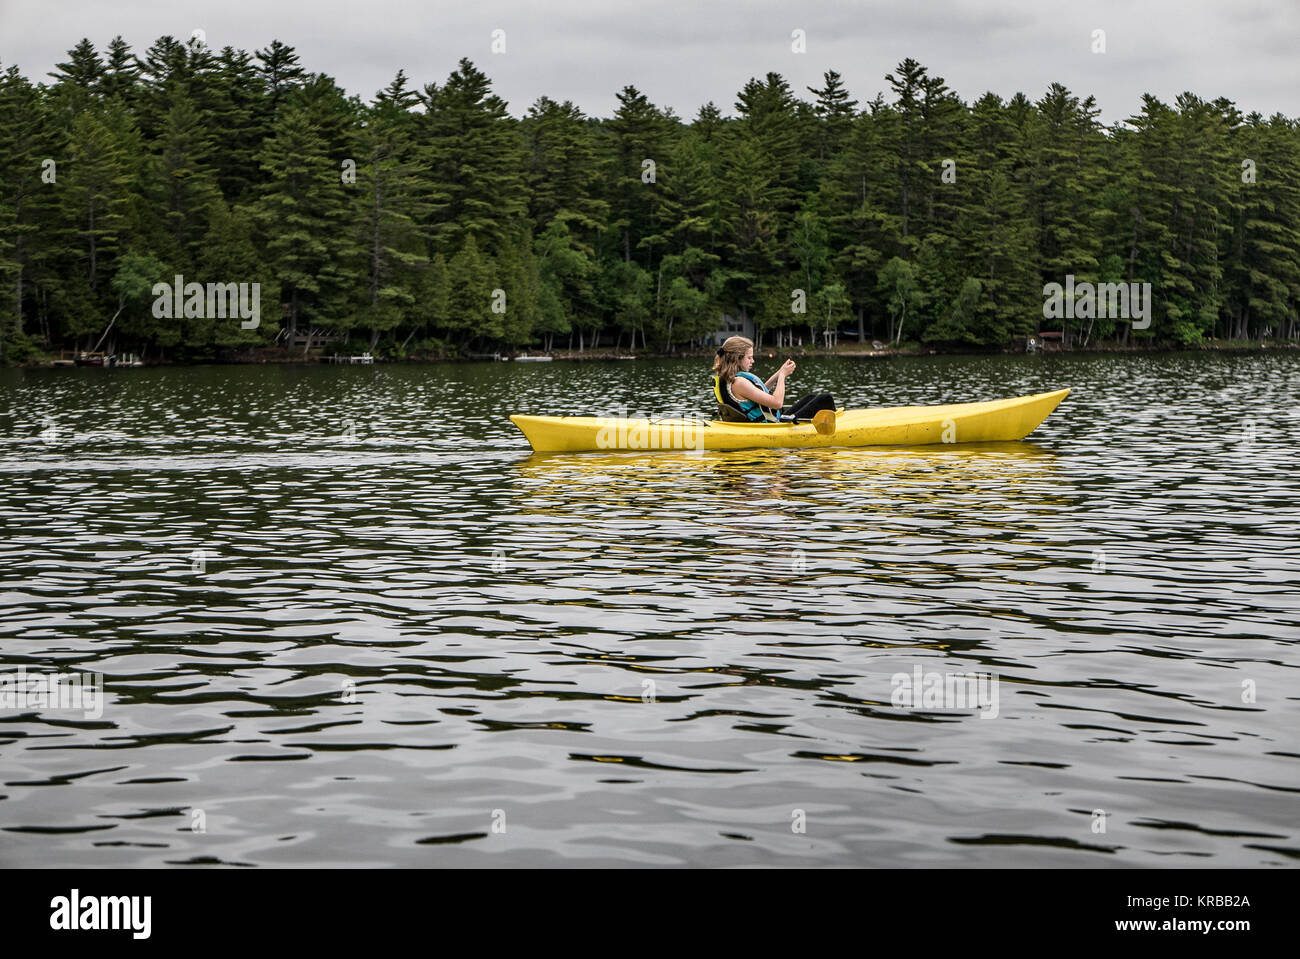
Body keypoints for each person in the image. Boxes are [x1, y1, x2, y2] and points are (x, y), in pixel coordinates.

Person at [711, 336, 836, 422]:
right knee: (825, 399)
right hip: (773, 425)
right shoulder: (739, 382)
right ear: (737, 358)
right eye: (749, 358)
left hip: (772, 420)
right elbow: (777, 403)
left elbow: (760, 392)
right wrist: (782, 376)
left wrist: (779, 372)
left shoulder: (730, 379)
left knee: (811, 397)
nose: (752, 361)